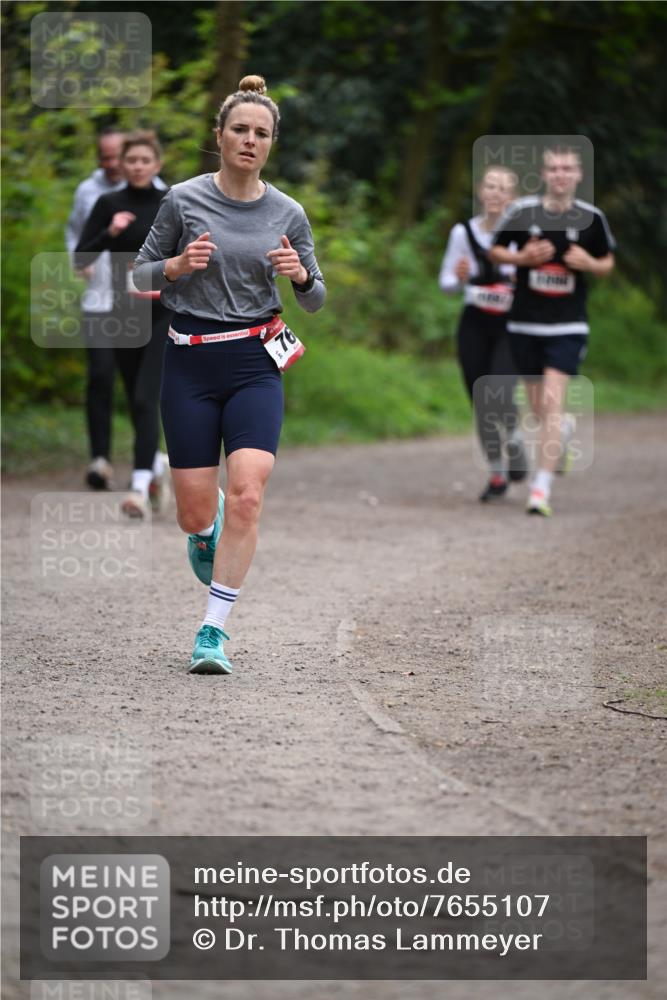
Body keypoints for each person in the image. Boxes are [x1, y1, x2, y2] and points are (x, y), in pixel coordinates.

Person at [133, 75, 325, 675]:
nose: (249, 140)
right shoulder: (183, 200)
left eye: (260, 133)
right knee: (195, 515)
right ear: (219, 136)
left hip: (254, 363)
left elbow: (316, 298)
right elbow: (138, 275)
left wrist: (300, 276)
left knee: (248, 494)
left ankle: (212, 631)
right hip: (188, 362)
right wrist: (175, 265)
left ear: (271, 143)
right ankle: (203, 530)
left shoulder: (288, 212)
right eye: (239, 129)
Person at [489, 146, 615, 516]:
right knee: (538, 409)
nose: (561, 174)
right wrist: (522, 258)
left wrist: (590, 262)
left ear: (578, 175)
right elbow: (496, 252)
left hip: (568, 325)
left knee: (552, 401)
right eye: (554, 168)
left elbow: (607, 263)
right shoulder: (521, 212)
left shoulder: (592, 218)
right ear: (544, 174)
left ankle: (540, 489)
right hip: (525, 323)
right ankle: (563, 429)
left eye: (567, 168)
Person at [75, 131, 171, 518]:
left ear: (157, 165)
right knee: (134, 399)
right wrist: (110, 232)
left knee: (147, 398)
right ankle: (156, 465)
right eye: (131, 160)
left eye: (145, 160)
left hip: (163, 311)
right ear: (122, 164)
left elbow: (190, 251)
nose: (138, 166)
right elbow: (80, 257)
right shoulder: (108, 203)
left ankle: (138, 487)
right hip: (123, 311)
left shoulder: (172, 202)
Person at [439, 167, 527, 501]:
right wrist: (459, 277)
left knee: (500, 390)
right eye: (490, 186)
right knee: (481, 400)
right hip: (474, 323)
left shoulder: (522, 236)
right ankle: (497, 474)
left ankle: (515, 440)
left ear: (512, 198)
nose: (495, 193)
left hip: (510, 325)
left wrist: (521, 280)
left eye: (503, 189)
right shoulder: (463, 233)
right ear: (481, 191)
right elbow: (446, 284)